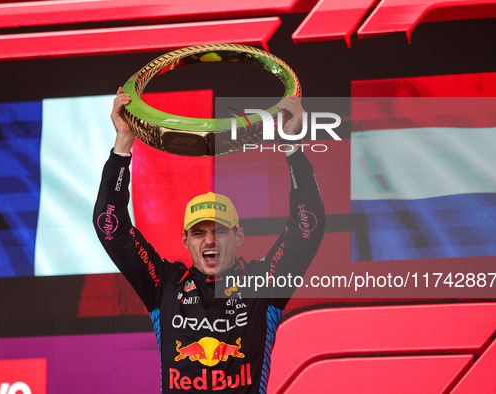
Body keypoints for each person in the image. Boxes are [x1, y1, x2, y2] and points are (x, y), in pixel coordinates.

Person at [93, 87, 326, 393]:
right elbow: (112, 229)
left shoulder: (263, 284)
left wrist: (292, 145)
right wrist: (123, 142)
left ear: (239, 236)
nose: (210, 241)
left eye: (220, 231)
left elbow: (306, 228)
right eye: (199, 233)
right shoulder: (164, 284)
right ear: (185, 240)